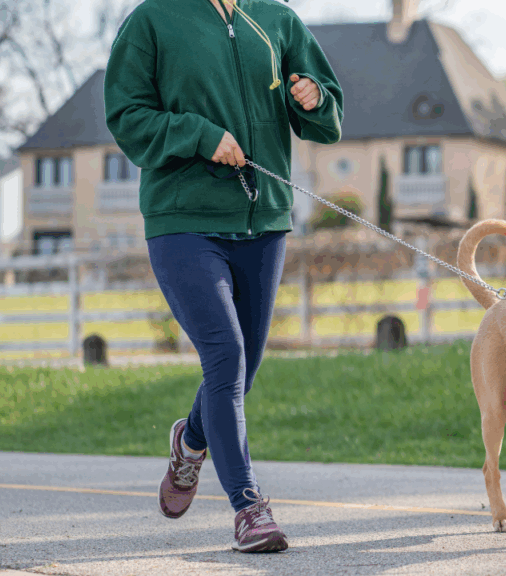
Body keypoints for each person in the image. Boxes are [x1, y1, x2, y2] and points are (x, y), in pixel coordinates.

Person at [103, 0, 343, 553]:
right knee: (226, 356)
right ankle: (248, 508)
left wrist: (314, 98)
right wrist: (197, 135)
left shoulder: (277, 20)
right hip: (183, 220)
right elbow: (126, 115)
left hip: (265, 223)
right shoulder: (152, 20)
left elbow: (327, 122)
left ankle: (190, 441)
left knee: (244, 369)